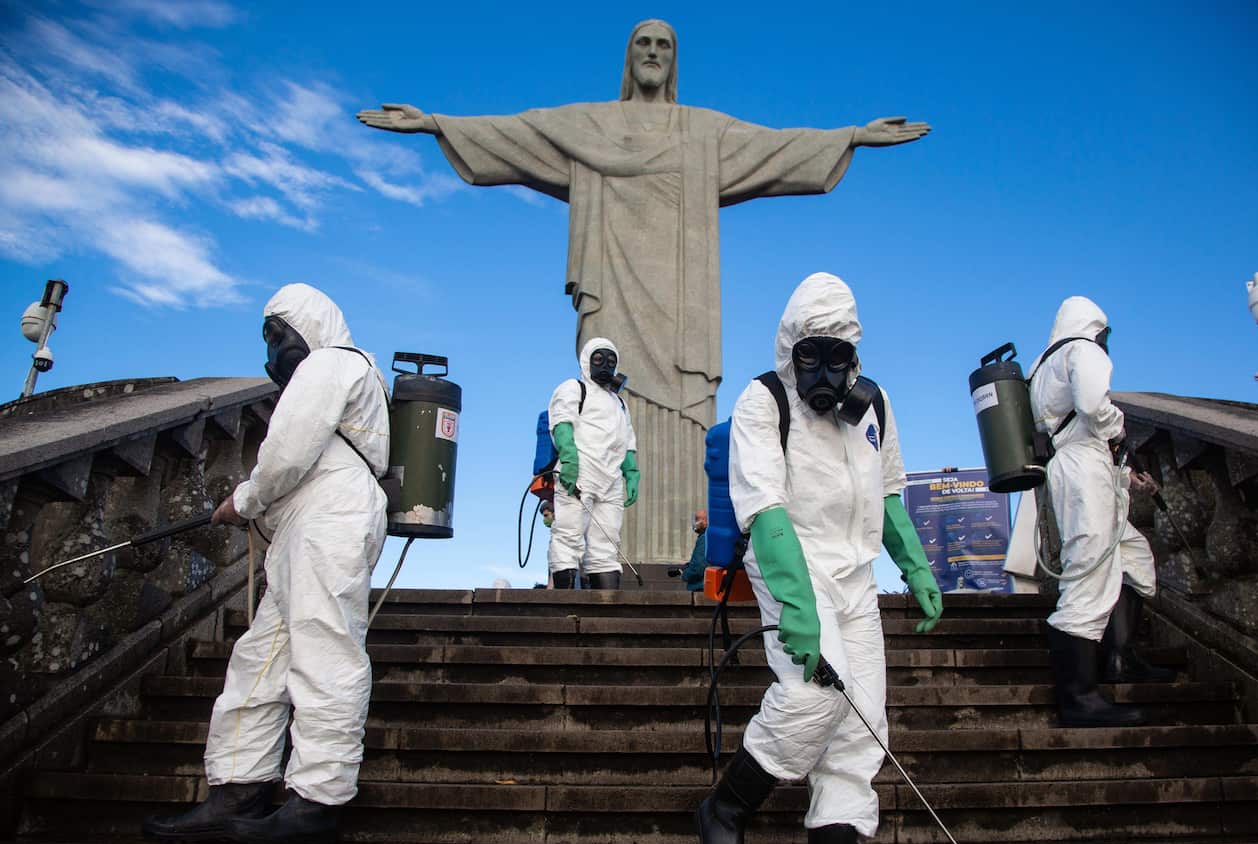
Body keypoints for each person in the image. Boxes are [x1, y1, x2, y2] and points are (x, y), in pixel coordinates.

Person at [357, 19, 929, 565]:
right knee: (609, 404)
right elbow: (519, 133)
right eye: (643, 45)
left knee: (685, 422)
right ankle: (605, 559)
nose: (653, 53)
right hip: (614, 297)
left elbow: (774, 148)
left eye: (664, 45)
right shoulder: (591, 125)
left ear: (673, 60)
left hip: (684, 312)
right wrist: (437, 124)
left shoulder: (704, 132)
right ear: (629, 59)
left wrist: (851, 136)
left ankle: (688, 554)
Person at [696, 273, 942, 844]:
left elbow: (888, 492)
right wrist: (799, 609)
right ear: (790, 348)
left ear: (854, 354)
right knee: (812, 697)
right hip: (793, 568)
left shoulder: (875, 407)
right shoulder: (763, 401)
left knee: (863, 723)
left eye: (839, 355)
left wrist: (914, 566)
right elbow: (766, 510)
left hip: (856, 578)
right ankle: (725, 808)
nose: (826, 370)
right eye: (812, 354)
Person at [142, 283, 390, 844]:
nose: (274, 348)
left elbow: (285, 453)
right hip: (310, 525)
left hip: (330, 520)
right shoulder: (351, 373)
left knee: (325, 650)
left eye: (278, 334)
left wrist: (245, 499)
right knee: (261, 657)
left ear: (309, 327)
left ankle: (317, 800)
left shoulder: (332, 364)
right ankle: (238, 786)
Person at [1026, 295, 1165, 729]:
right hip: (1084, 469)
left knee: (1135, 558)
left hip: (1080, 468)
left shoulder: (1039, 368)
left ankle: (1122, 658)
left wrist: (1125, 477)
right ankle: (1079, 698)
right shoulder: (1081, 350)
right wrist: (1119, 426)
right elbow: (1091, 407)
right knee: (1089, 574)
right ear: (1095, 327)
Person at [547, 336, 639, 589]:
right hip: (580, 473)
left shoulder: (619, 402)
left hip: (610, 480)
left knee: (607, 540)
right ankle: (563, 600)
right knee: (569, 534)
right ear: (587, 360)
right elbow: (561, 423)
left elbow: (626, 440)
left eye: (611, 361)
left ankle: (605, 602)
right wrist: (569, 459)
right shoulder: (574, 388)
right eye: (599, 359)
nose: (605, 366)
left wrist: (631, 472)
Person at [680, 509, 708, 591]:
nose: (694, 522)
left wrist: (685, 575)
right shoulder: (708, 537)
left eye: (697, 519)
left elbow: (699, 567)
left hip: (699, 587)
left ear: (705, 520)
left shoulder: (704, 538)